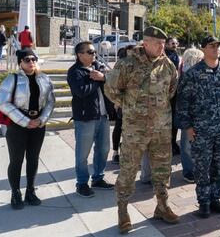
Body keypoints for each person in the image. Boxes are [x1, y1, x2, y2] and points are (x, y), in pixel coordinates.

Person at [105, 26, 179, 233]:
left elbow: (171, 90)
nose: (161, 46)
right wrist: (128, 105)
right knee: (128, 170)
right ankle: (122, 210)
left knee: (163, 169)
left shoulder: (168, 65)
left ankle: (162, 206)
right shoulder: (128, 63)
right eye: (157, 43)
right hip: (135, 129)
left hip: (162, 128)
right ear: (145, 43)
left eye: (163, 43)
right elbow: (110, 88)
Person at [177, 36, 220, 218]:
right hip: (201, 130)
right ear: (203, 49)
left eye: (218, 46)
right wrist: (187, 127)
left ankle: (215, 198)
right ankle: (203, 201)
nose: (216, 49)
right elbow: (183, 103)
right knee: (202, 167)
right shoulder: (193, 74)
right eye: (212, 46)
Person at [0, 48, 55, 209]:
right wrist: (24, 121)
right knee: (16, 160)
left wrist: (41, 119)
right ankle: (15, 193)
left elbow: (51, 101)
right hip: (17, 124)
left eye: (34, 59)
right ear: (20, 63)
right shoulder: (12, 79)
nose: (31, 62)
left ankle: (31, 190)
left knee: (33, 158)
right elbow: (2, 102)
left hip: (38, 124)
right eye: (27, 60)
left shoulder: (44, 78)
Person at [67, 41, 115, 198]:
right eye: (90, 52)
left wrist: (103, 78)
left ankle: (98, 178)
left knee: (103, 149)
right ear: (80, 55)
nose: (94, 54)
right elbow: (81, 91)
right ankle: (81, 184)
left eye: (94, 51)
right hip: (85, 118)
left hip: (102, 116)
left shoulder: (97, 68)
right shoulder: (75, 72)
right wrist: (96, 80)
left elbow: (110, 83)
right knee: (82, 154)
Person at [175, 47, 205, 183]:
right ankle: (189, 171)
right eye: (200, 58)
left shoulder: (192, 72)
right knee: (188, 144)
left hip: (194, 114)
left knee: (192, 144)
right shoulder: (187, 73)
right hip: (189, 114)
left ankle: (193, 170)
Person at [111, 45, 135, 164]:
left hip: (135, 105)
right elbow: (113, 84)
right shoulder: (120, 64)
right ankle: (116, 152)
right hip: (123, 102)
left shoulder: (140, 64)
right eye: (130, 51)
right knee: (119, 127)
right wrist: (117, 101)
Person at [165, 37, 181, 156]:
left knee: (174, 118)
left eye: (176, 43)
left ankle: (173, 142)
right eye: (172, 43)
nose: (175, 45)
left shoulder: (176, 55)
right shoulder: (165, 55)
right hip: (165, 90)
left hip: (175, 90)